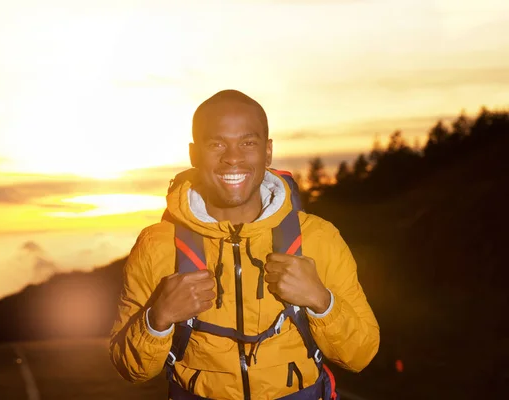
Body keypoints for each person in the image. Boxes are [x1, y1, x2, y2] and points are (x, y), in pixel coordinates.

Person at [109, 89, 380, 399]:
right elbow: (130, 368)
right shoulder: (157, 246)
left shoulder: (318, 237)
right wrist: (157, 319)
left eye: (247, 143)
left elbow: (361, 355)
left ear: (267, 152)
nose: (233, 158)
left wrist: (321, 302)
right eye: (217, 144)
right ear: (194, 154)